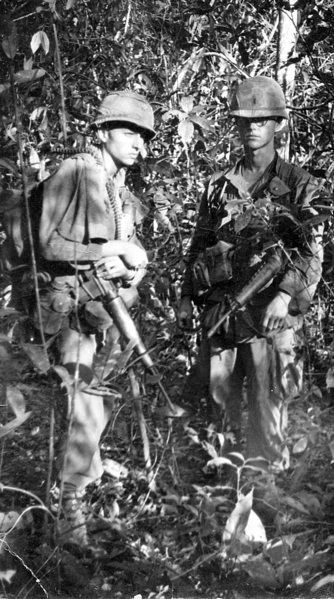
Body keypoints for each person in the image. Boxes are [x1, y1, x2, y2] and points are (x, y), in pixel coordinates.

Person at [23, 91, 155, 546]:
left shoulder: (122, 192)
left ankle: (88, 474)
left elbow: (129, 253)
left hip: (103, 314)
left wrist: (132, 264)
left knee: (96, 398)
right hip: (67, 310)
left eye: (143, 135)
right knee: (84, 401)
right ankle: (67, 508)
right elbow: (49, 244)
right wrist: (111, 250)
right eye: (127, 132)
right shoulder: (75, 171)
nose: (138, 143)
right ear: (102, 133)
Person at [178, 76, 323, 474]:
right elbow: (199, 244)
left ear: (279, 123)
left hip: (268, 316)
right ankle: (219, 492)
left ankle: (268, 497)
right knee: (219, 405)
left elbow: (312, 253)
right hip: (223, 314)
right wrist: (185, 296)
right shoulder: (218, 186)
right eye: (244, 120)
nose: (252, 127)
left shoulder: (299, 184)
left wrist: (284, 296)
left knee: (267, 406)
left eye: (262, 120)